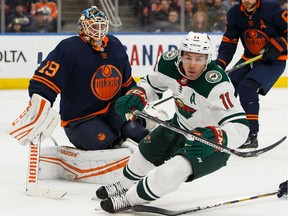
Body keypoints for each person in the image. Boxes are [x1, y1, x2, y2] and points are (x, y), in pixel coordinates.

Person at [94, 31, 250, 213]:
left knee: (172, 172)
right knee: (143, 153)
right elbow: (152, 84)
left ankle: (128, 198)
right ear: (180, 55)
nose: (192, 64)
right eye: (188, 57)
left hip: (208, 142)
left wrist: (217, 138)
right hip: (180, 125)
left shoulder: (217, 84)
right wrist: (139, 94)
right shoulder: (168, 63)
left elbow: (240, 126)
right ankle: (122, 185)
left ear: (207, 59)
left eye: (199, 59)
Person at [7, 6, 149, 151]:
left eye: (102, 26)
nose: (98, 31)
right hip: (80, 118)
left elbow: (127, 83)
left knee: (139, 134)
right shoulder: (69, 48)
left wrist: (135, 98)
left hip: (113, 111)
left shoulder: (115, 46)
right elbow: (46, 78)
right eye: (94, 26)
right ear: (82, 27)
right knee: (107, 147)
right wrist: (40, 99)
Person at [216, 0, 287, 149]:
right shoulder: (234, 13)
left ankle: (251, 135)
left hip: (273, 61)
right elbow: (229, 41)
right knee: (225, 86)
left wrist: (279, 44)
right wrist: (220, 64)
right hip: (249, 58)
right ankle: (224, 128)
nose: (247, 1)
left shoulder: (272, 9)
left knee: (247, 87)